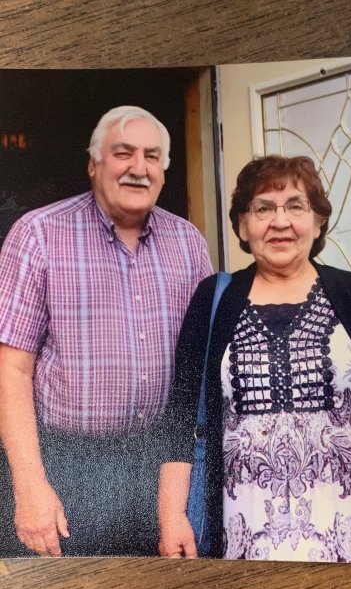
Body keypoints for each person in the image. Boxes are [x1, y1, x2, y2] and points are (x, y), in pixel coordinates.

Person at [158, 155, 351, 562]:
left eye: (295, 206)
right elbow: (181, 416)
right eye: (263, 208)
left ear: (318, 221)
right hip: (242, 541)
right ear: (242, 224)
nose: (280, 221)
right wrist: (171, 517)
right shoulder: (213, 299)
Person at [0, 105, 213, 557]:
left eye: (152, 156)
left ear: (164, 170)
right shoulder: (38, 234)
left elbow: (201, 369)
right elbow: (11, 369)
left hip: (165, 469)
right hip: (67, 468)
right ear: (93, 164)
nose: (139, 168)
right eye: (123, 153)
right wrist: (30, 485)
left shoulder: (189, 242)